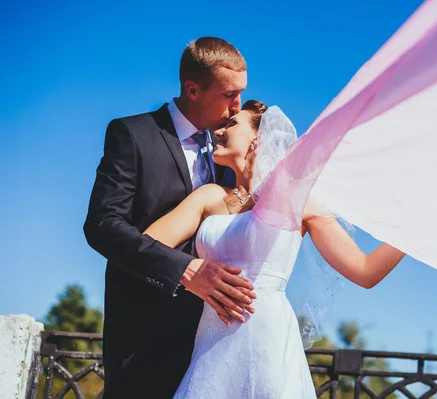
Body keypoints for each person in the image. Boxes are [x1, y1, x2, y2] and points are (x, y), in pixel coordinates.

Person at [144, 101, 406, 398]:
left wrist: (415, 231)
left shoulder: (296, 199)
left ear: (258, 138)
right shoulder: (208, 197)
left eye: (231, 125)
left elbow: (365, 271)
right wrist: (193, 278)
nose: (217, 132)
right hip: (210, 344)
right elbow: (147, 247)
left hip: (269, 338)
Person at [83, 37, 256, 399]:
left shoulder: (232, 152)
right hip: (144, 335)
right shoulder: (133, 134)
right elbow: (103, 226)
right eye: (228, 95)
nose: (236, 106)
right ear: (193, 89)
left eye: (241, 93)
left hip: (214, 341)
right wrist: (184, 270)